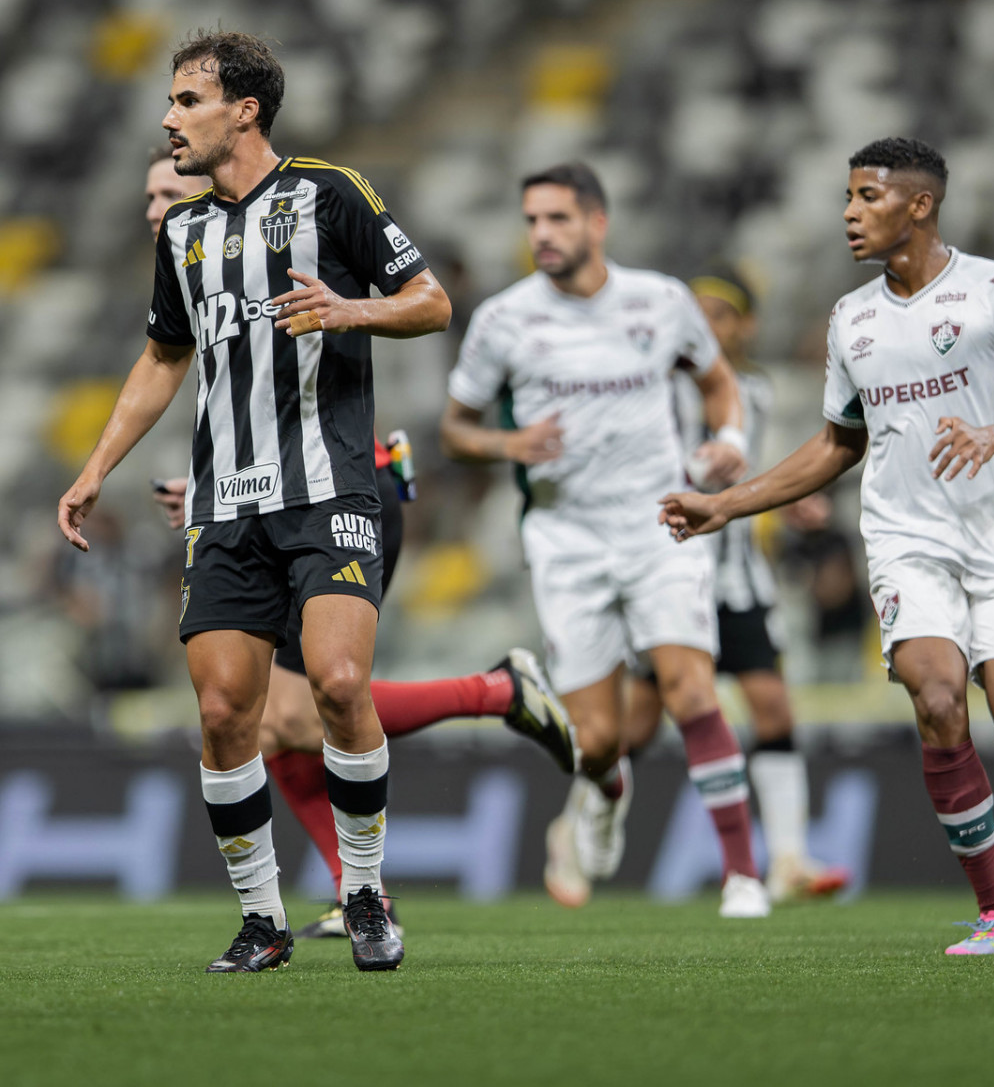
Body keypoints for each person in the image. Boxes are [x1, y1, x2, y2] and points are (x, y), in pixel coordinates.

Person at [660, 136, 994, 954]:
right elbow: (835, 445)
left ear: (919, 205)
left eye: (867, 197)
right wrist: (727, 506)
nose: (850, 214)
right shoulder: (850, 319)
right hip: (903, 543)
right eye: (848, 198)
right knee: (936, 699)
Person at [59, 32, 452, 973]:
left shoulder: (331, 193)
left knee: (341, 685)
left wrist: (352, 310)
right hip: (224, 506)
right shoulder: (185, 233)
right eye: (170, 101)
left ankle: (363, 892)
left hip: (329, 488)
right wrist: (96, 467)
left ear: (245, 110)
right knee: (226, 711)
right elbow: (164, 358)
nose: (169, 118)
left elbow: (431, 301)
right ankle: (263, 921)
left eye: (188, 101)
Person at [140, 146, 577, 941]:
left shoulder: (292, 221)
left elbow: (354, 357)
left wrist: (350, 309)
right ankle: (353, 890)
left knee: (311, 704)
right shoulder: (195, 257)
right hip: (260, 501)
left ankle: (497, 693)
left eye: (166, 191)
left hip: (347, 489)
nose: (155, 209)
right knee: (272, 724)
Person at [441, 162, 769, 919]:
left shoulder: (659, 301)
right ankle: (602, 795)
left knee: (690, 688)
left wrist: (728, 438)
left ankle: (743, 875)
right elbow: (456, 429)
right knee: (595, 739)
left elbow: (717, 381)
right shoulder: (504, 319)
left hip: (660, 524)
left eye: (556, 219)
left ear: (597, 223)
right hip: (565, 537)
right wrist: (507, 444)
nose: (541, 235)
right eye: (531, 221)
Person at [615, 270, 849, 902]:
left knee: (772, 706)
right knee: (636, 724)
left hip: (739, 579)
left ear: (744, 325)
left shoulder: (757, 392)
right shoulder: (657, 384)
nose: (710, 326)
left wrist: (785, 501)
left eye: (722, 314)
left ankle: (790, 859)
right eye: (701, 314)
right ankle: (589, 822)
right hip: (667, 572)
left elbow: (748, 470)